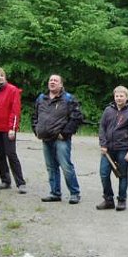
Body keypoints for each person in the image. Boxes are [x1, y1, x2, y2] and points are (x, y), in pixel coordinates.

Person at [32, 74, 84, 204]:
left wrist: (65, 133)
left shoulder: (68, 99)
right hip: (46, 138)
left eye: (55, 80)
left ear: (61, 85)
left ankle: (74, 193)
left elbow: (76, 117)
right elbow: (35, 116)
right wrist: (36, 130)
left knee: (66, 166)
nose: (52, 82)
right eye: (50, 80)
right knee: (51, 167)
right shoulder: (41, 98)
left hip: (61, 139)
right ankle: (55, 193)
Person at [96, 86, 128, 211]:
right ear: (114, 97)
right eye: (117, 96)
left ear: (126, 97)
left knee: (122, 175)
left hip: (123, 149)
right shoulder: (108, 111)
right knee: (104, 174)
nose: (119, 98)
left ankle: (122, 200)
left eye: (121, 96)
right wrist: (103, 144)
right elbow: (102, 128)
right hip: (107, 149)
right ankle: (108, 200)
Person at [0, 67, 26, 193]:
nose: (0, 77)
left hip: (7, 128)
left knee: (11, 154)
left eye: (2, 75)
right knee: (0, 154)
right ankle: (5, 180)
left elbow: (15, 110)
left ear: (5, 77)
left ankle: (21, 183)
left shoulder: (13, 90)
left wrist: (12, 128)